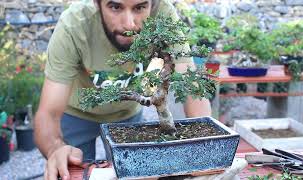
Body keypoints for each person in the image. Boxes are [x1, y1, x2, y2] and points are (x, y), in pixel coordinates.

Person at [34, 0, 212, 179]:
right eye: (115, 7)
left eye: (140, 7)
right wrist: (54, 149)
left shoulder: (163, 16)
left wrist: (207, 146)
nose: (129, 24)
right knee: (72, 170)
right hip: (77, 112)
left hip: (127, 113)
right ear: (97, 3)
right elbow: (48, 112)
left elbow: (191, 85)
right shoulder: (74, 24)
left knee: (132, 173)